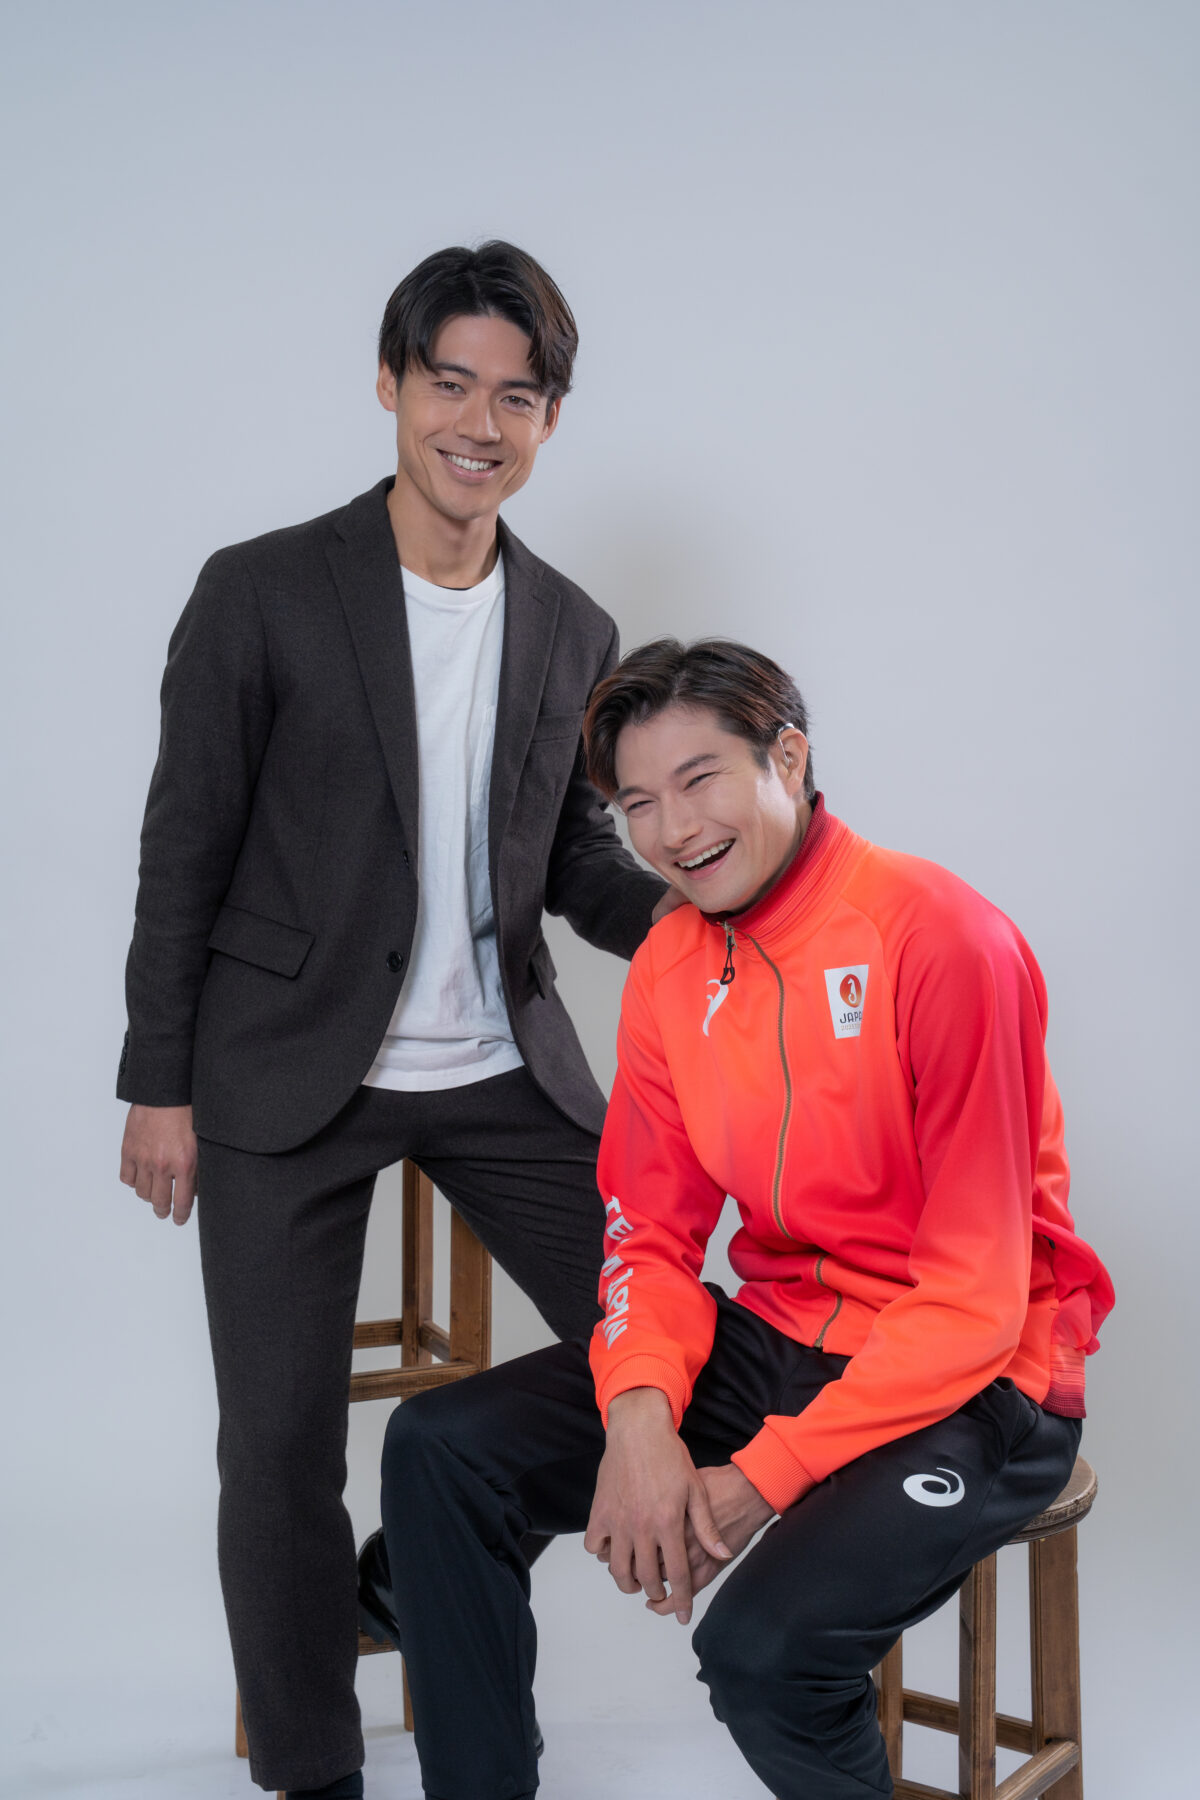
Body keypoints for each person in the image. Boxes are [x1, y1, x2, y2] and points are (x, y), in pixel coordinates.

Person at [369, 638, 1114, 1800]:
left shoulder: (939, 939)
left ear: (789, 758)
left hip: (980, 1379)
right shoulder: (671, 964)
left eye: (700, 779)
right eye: (637, 805)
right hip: (785, 1336)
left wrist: (761, 1476)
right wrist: (639, 1417)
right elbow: (650, 1235)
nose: (673, 831)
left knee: (763, 1653)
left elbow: (974, 1298)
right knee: (442, 1447)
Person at [115, 242, 671, 1800]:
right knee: (278, 1450)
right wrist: (159, 1084)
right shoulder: (261, 591)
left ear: (550, 419)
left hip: (505, 1071)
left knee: (668, 1362)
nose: (479, 424)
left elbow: (571, 859)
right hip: (285, 1073)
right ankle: (314, 1772)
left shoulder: (572, 626)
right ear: (390, 385)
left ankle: (402, 1562)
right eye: (450, 384)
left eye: (518, 397)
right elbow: (184, 848)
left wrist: (710, 919)